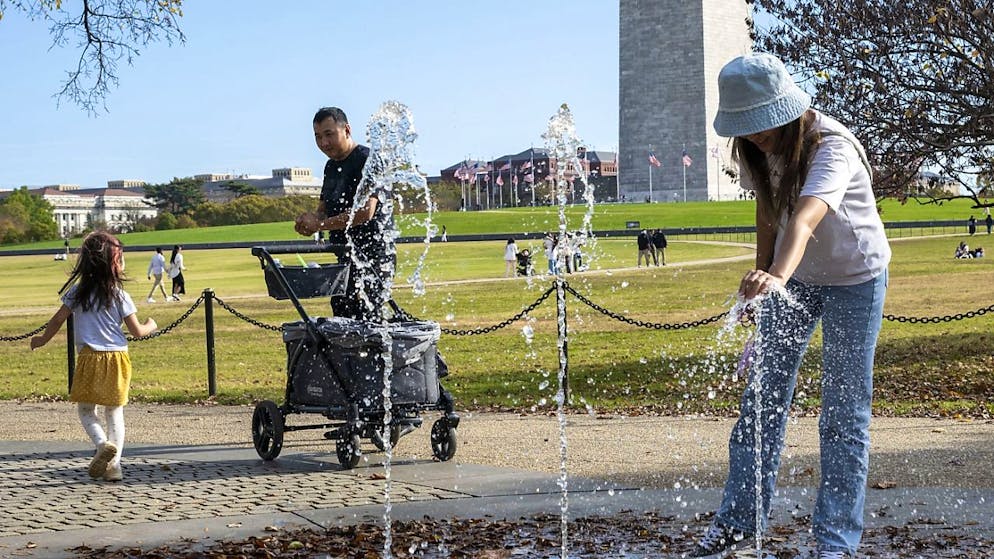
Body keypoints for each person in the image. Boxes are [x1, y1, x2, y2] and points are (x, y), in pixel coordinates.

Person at [691, 53, 891, 559]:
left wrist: (775, 276)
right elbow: (769, 218)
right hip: (795, 279)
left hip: (855, 278)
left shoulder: (832, 147)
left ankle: (834, 543)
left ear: (786, 109)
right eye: (745, 125)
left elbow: (803, 219)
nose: (754, 135)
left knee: (844, 416)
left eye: (759, 123)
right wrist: (760, 293)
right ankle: (737, 525)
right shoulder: (756, 152)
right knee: (761, 404)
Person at [29, 231, 157, 482]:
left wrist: (41, 340)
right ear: (114, 263)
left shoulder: (77, 292)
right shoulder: (120, 295)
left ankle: (101, 445)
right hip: (118, 359)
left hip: (89, 357)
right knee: (115, 413)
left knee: (86, 410)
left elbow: (57, 319)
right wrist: (151, 324)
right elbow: (137, 331)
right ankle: (115, 466)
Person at [294, 106, 392, 323]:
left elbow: (365, 212)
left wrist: (320, 226)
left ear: (346, 129)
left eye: (329, 134)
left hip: (372, 258)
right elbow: (323, 210)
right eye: (318, 137)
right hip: (345, 256)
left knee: (366, 323)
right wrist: (309, 221)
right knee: (342, 319)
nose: (323, 143)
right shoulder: (330, 166)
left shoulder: (368, 160)